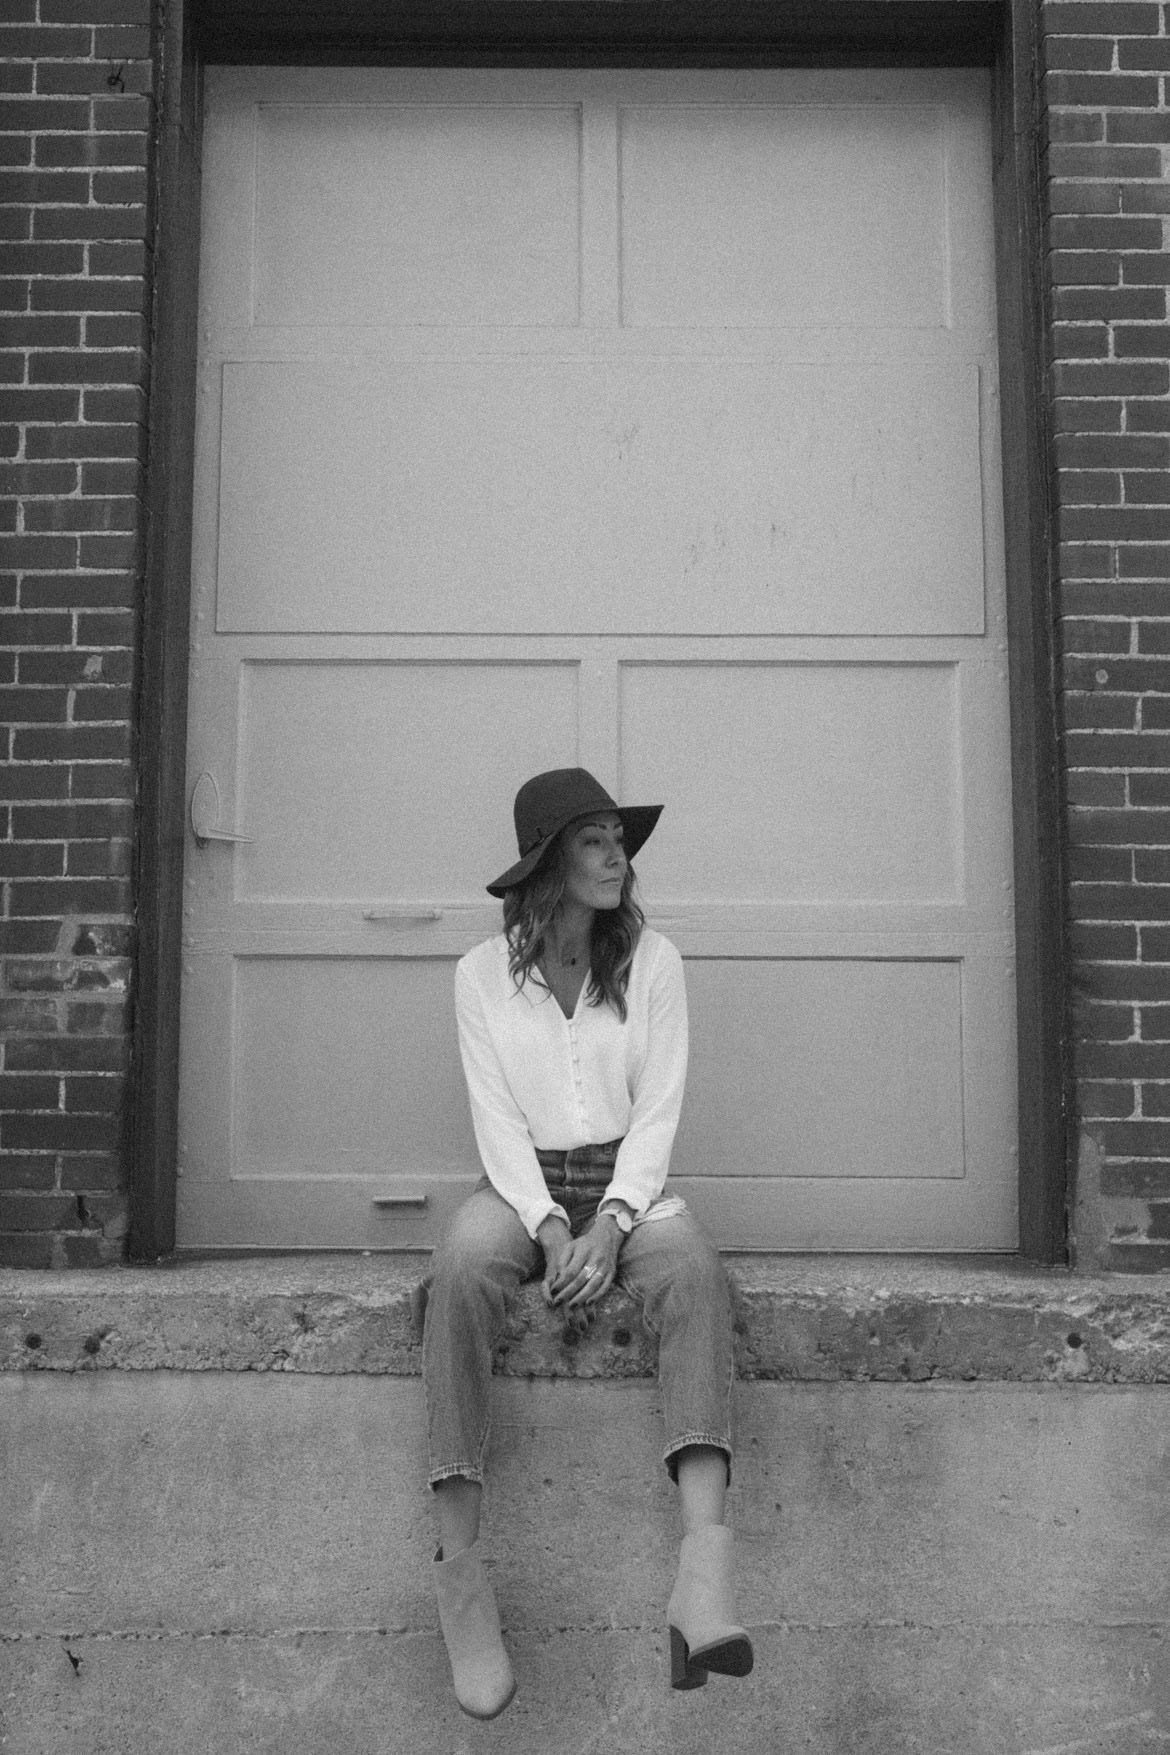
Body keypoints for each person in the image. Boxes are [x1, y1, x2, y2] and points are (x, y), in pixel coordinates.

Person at [422, 766, 753, 1718]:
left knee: (692, 1272)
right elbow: (495, 1119)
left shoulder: (656, 961)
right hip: (523, 1183)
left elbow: (659, 1107)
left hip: (625, 1184)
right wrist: (550, 1223)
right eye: (595, 840)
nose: (618, 856)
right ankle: (461, 1582)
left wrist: (611, 1220)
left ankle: (703, 1581)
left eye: (619, 838)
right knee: (458, 1272)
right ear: (548, 865)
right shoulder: (481, 976)